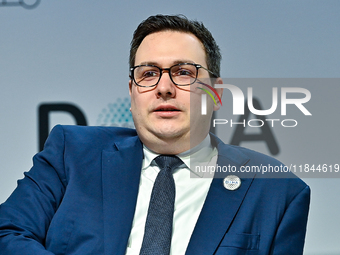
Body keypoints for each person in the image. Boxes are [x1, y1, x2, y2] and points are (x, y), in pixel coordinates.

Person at [0, 14, 310, 255]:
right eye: (148, 74)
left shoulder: (277, 191)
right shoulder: (72, 153)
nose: (164, 88)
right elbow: (8, 232)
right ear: (133, 92)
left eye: (184, 72)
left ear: (216, 94)